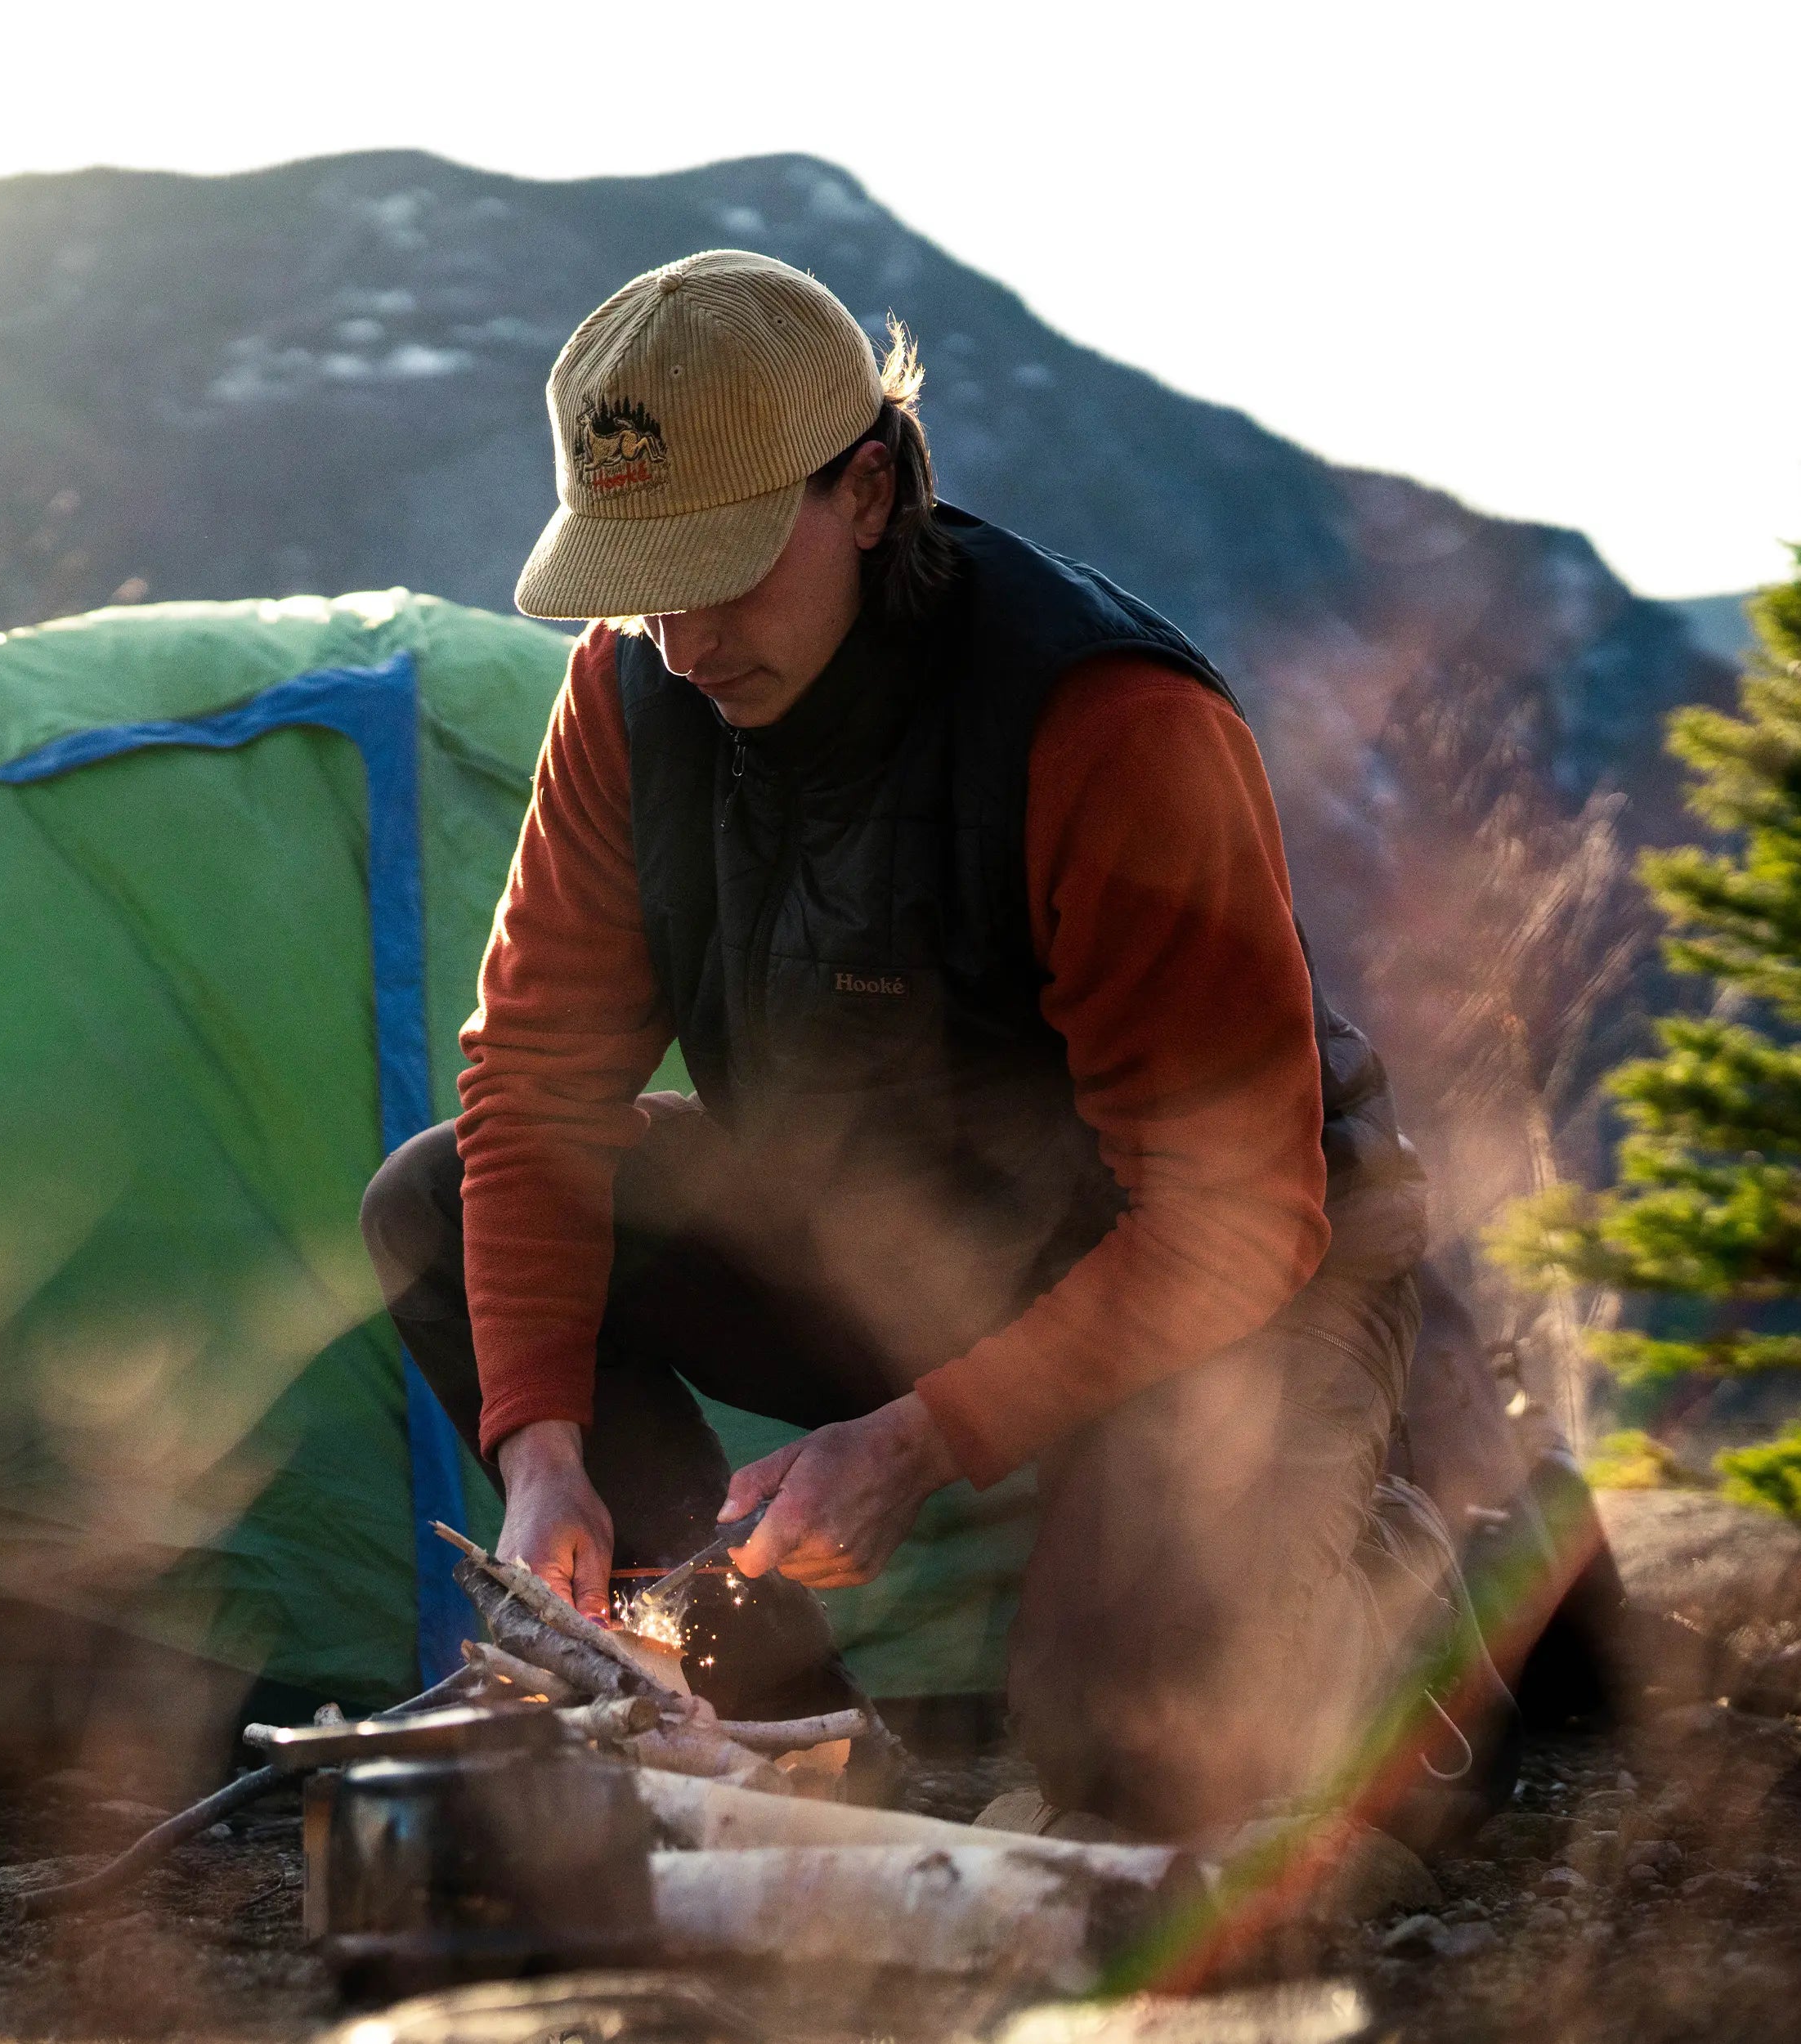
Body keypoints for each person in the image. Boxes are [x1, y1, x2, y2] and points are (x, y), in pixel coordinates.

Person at [361, 249, 1502, 1841]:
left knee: (1128, 1755)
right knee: (433, 1198)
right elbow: (533, 1083)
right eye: (642, 577)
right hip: (887, 1238)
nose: (681, 637)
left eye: (726, 566)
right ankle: (765, 1729)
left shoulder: (1100, 719)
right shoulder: (627, 694)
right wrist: (541, 1447)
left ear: (871, 489)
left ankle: (1392, 1565)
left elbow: (1234, 1209)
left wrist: (917, 1438)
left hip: (1232, 1272)